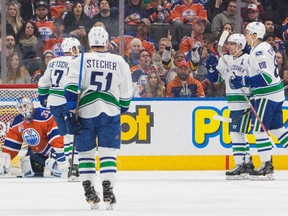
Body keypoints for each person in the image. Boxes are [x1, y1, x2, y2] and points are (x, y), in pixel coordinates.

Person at [64, 26, 133, 210]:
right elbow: (126, 94)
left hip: (85, 112)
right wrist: (123, 108)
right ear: (107, 41)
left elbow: (70, 89)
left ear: (89, 41)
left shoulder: (79, 60)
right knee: (107, 152)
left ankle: (88, 189)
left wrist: (71, 113)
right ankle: (108, 189)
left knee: (85, 153)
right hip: (110, 111)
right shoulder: (119, 62)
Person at [230, 22, 288, 180]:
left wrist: (244, 81)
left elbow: (266, 76)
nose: (246, 35)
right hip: (276, 95)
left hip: (266, 96)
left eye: (248, 33)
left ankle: (266, 167)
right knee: (278, 131)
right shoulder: (263, 47)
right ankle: (266, 165)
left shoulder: (258, 52)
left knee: (259, 130)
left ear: (255, 35)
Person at [205, 34, 254, 180]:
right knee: (239, 133)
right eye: (228, 44)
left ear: (240, 45)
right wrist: (212, 69)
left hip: (244, 102)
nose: (228, 46)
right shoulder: (224, 59)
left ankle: (240, 164)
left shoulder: (248, 60)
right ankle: (247, 161)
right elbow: (216, 80)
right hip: (232, 102)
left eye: (232, 44)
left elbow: (253, 81)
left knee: (236, 133)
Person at [38, 37, 81, 181]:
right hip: (67, 101)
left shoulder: (52, 62)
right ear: (73, 49)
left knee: (63, 134)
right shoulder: (75, 62)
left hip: (53, 102)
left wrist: (42, 97)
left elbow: (43, 82)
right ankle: (71, 166)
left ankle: (63, 166)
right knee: (71, 135)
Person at [0, 96, 66, 178]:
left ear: (31, 105)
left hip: (53, 151)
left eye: (25, 106)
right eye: (20, 107)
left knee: (57, 170)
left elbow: (56, 136)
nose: (23, 109)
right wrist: (5, 159)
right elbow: (11, 146)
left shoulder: (44, 116)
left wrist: (59, 154)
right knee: (29, 172)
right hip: (36, 153)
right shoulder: (16, 123)